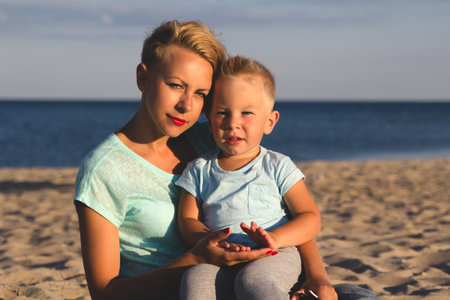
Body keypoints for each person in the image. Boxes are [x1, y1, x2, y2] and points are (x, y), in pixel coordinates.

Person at [74, 19, 378, 300]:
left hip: (258, 278)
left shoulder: (210, 139)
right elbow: (105, 293)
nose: (186, 106)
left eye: (201, 93)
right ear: (143, 77)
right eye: (176, 85)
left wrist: (317, 276)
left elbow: (284, 211)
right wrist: (198, 258)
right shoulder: (104, 168)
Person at [176, 55, 322, 299]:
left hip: (274, 254)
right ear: (209, 120)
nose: (233, 123)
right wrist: (208, 240)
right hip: (221, 257)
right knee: (194, 280)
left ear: (269, 122)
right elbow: (187, 220)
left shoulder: (277, 165)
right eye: (222, 113)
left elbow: (310, 218)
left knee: (253, 282)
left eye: (246, 113)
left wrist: (275, 238)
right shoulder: (199, 169)